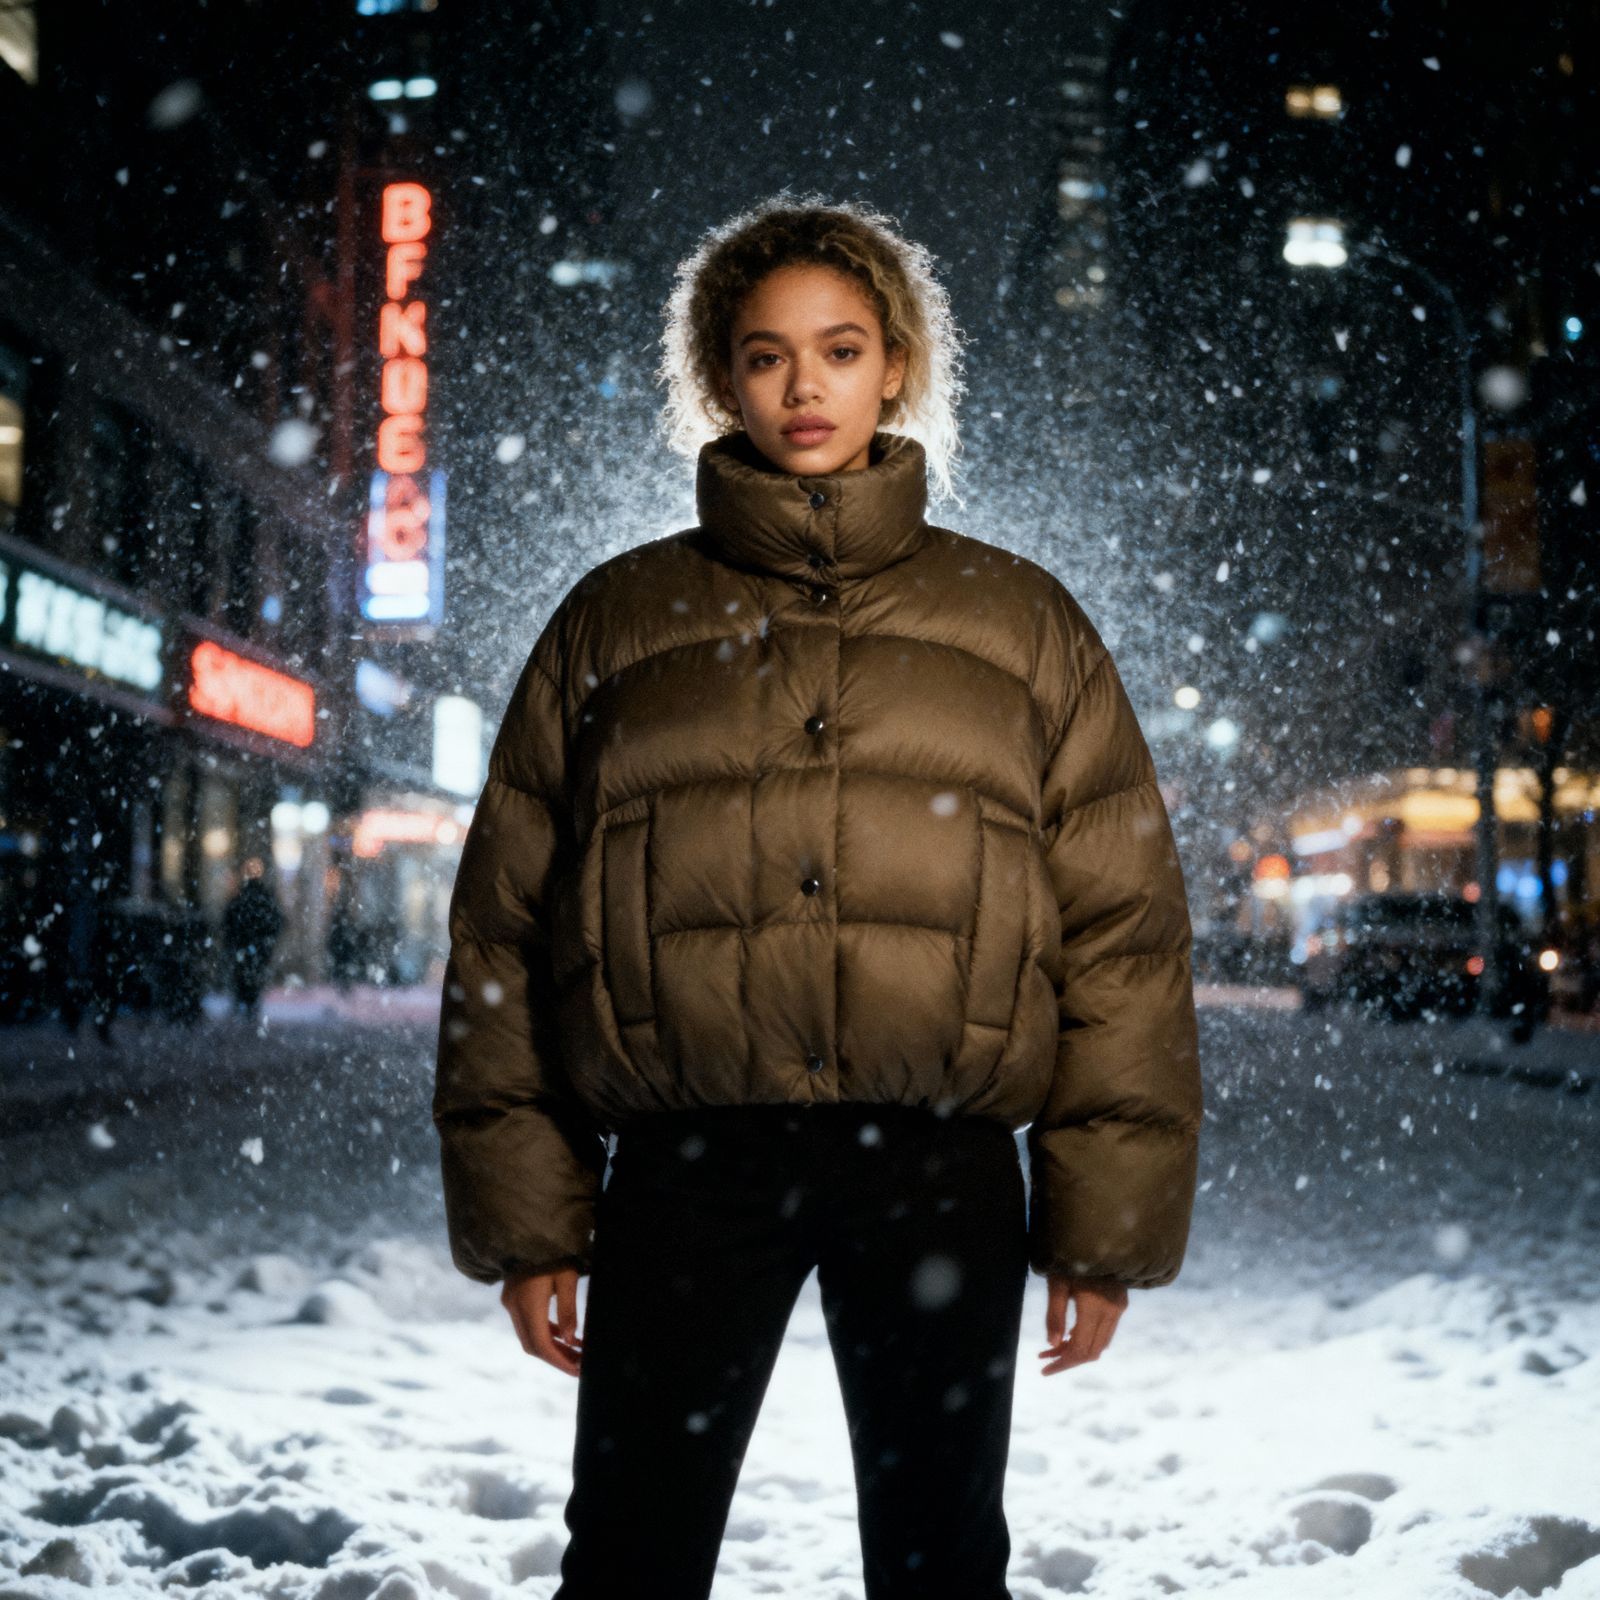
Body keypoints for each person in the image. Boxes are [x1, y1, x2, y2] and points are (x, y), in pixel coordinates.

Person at [432, 192, 1203, 1600]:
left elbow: (1121, 936)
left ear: (895, 366)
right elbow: (506, 930)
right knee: (630, 1559)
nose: (805, 387)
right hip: (687, 1171)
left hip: (936, 1169)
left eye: (841, 350)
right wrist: (530, 1216)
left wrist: (1103, 1226)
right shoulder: (614, 621)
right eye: (766, 354)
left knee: (941, 1565)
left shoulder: (1023, 624)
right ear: (719, 377)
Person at [222, 857, 283, 1022]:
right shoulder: (263, 897)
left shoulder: (241, 897)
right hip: (257, 944)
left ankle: (245, 1003)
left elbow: (228, 921)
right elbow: (277, 920)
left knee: (243, 975)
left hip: (245, 944)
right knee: (253, 975)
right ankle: (250, 1004)